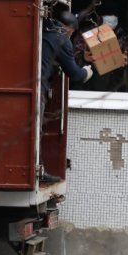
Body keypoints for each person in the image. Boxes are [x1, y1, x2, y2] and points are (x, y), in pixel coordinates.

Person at [39, 10, 92, 183]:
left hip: (26, 87)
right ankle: (38, 173)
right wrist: (86, 72)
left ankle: (37, 171)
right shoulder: (62, 39)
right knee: (36, 131)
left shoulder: (42, 30)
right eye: (72, 33)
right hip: (39, 90)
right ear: (69, 29)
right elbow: (74, 74)